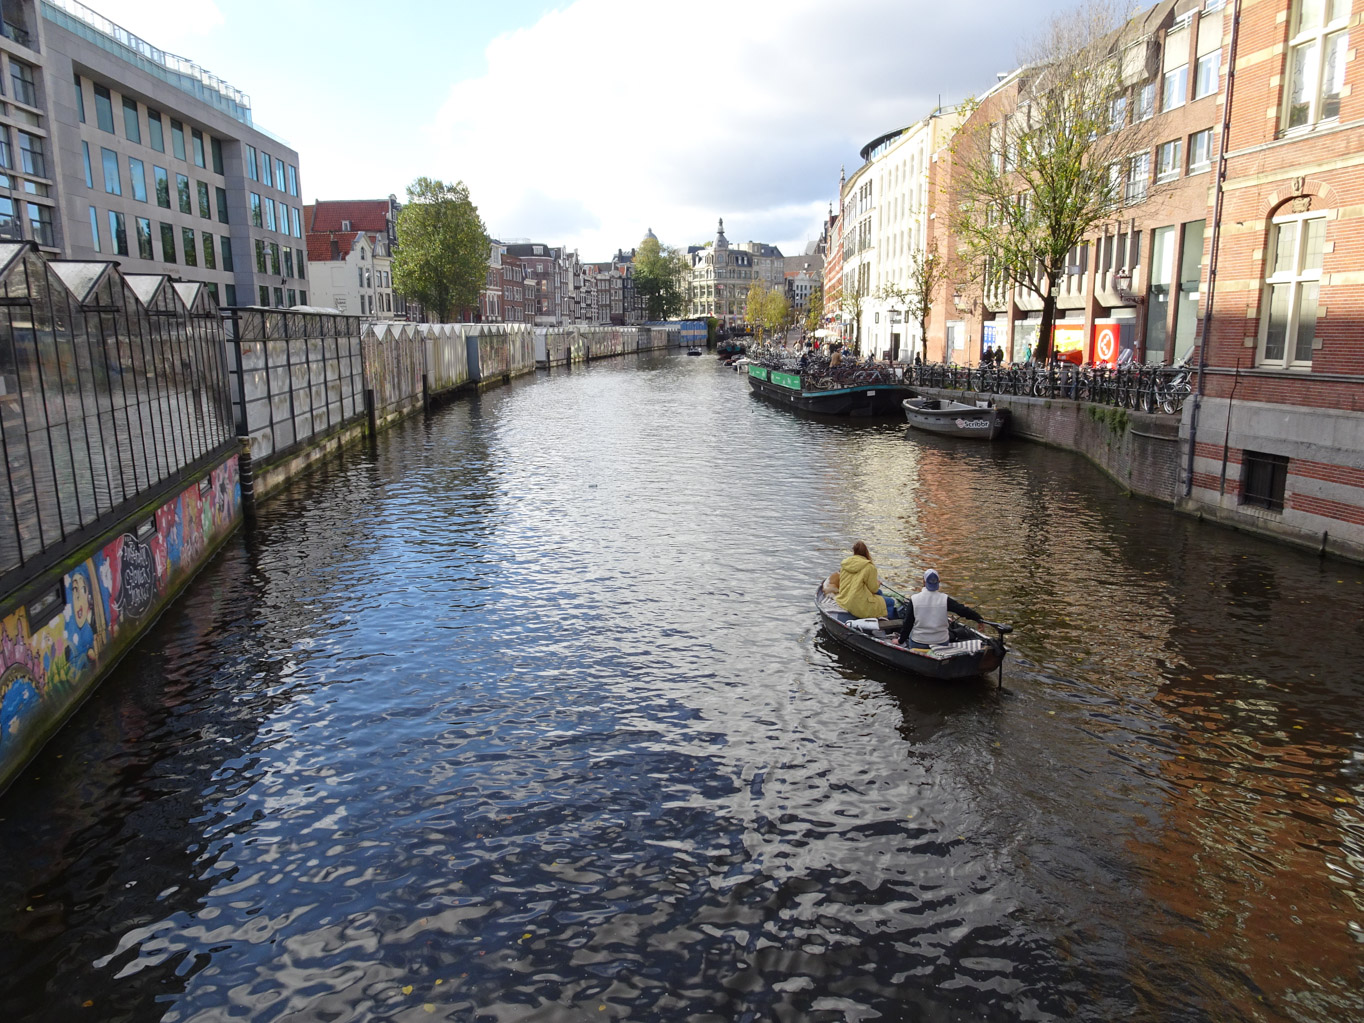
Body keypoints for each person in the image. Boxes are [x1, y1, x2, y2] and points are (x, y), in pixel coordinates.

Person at [896, 568, 983, 648]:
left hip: (919, 643)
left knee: (912, 631)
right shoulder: (945, 599)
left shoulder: (914, 599)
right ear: (939, 582)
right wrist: (978, 618)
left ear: (924, 582)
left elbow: (908, 624)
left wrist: (900, 641)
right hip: (941, 642)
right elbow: (963, 610)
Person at [835, 541, 897, 620]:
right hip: (859, 603)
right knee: (891, 602)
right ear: (866, 552)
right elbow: (873, 589)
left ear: (854, 551)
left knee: (880, 593)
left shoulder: (845, 564)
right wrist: (877, 584)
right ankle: (887, 623)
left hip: (844, 599)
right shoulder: (869, 567)